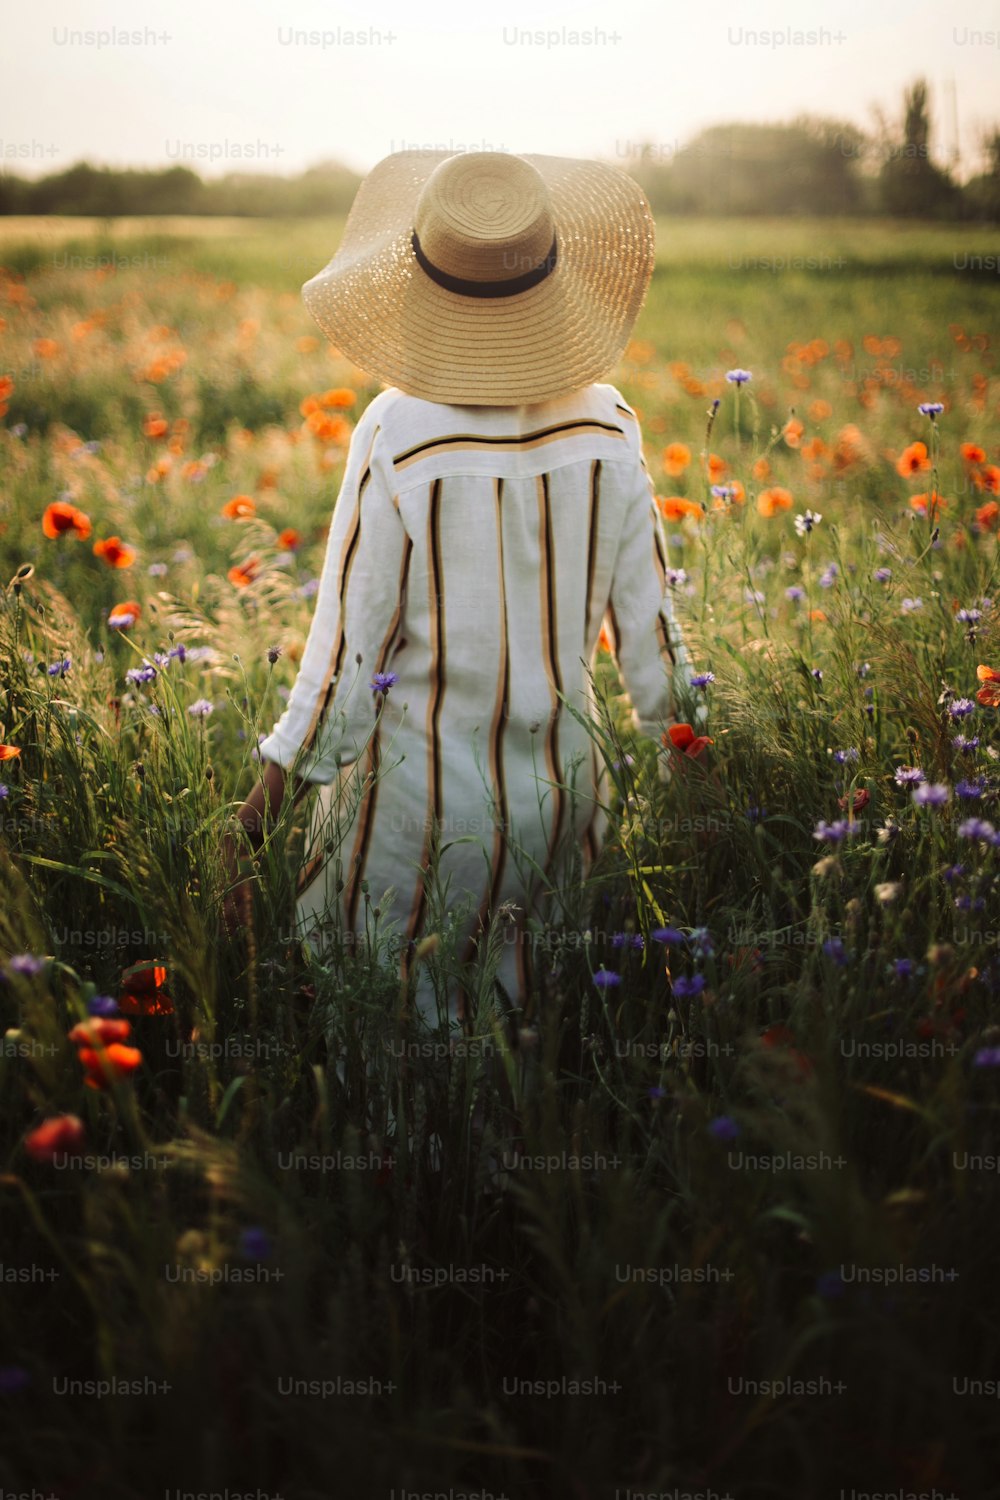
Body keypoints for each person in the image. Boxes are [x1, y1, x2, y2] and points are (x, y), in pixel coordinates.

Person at [222, 148, 699, 1031]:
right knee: (538, 1037)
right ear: (554, 283)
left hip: (420, 821)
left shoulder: (398, 430)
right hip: (563, 808)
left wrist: (254, 821)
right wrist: (707, 801)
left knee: (399, 1044)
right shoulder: (612, 422)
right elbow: (657, 654)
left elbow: (346, 662)